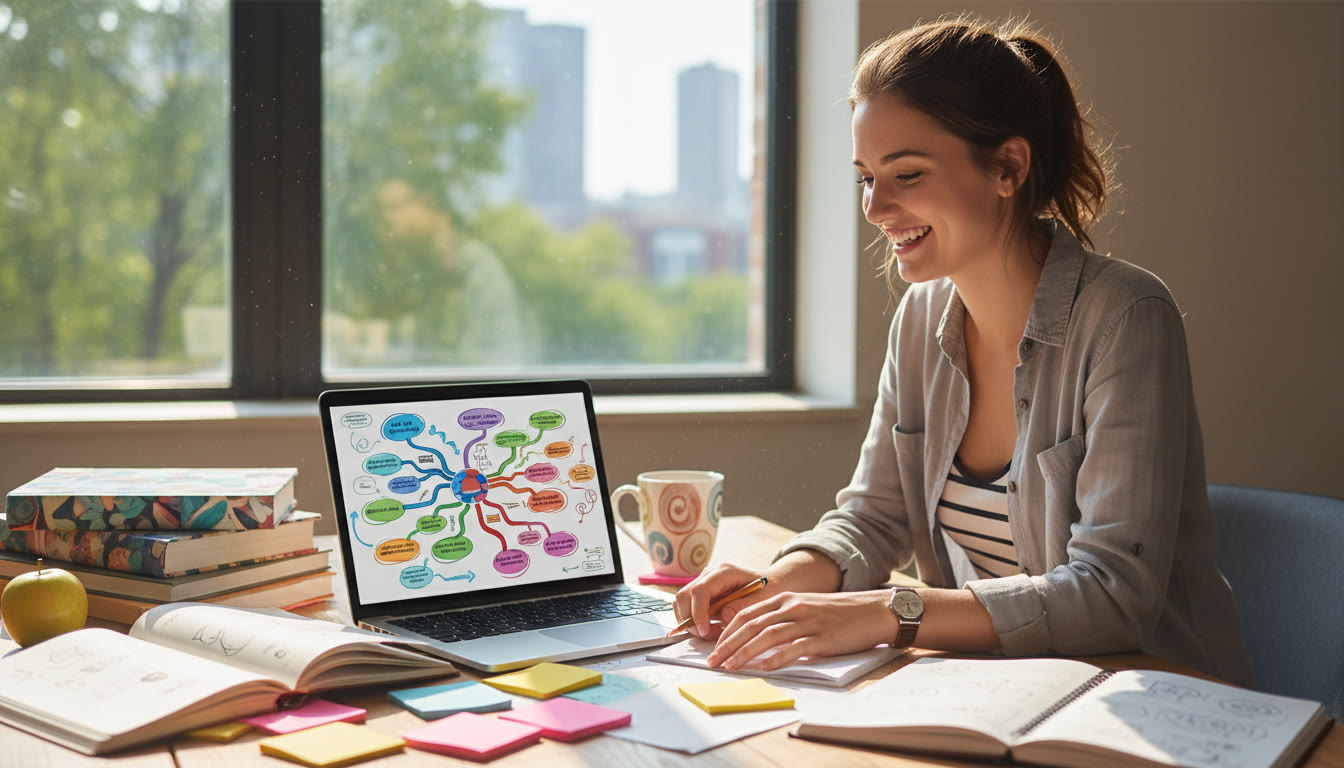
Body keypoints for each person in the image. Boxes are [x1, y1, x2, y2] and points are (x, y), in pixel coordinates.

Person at [674, 16, 1252, 686]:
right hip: (1011, 688)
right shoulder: (920, 319)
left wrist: (893, 610)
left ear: (1008, 167)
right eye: (866, 177)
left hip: (1157, 701)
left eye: (907, 173)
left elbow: (1111, 595)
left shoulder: (1126, 317)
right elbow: (872, 518)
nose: (874, 206)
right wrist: (773, 584)